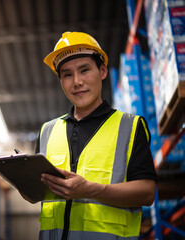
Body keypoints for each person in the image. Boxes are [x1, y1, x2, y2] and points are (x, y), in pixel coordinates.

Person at [30, 31, 157, 240]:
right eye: (67, 74)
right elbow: (37, 195)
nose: (77, 81)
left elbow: (147, 192)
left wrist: (91, 190)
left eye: (84, 70)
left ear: (103, 71)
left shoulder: (130, 126)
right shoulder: (47, 131)